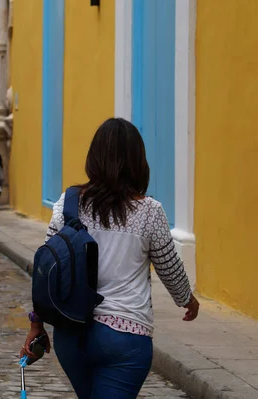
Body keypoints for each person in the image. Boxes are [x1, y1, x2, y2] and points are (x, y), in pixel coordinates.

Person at [20, 118, 200, 399]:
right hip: (124, 339)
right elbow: (169, 267)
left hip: (72, 335)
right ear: (138, 161)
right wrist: (187, 300)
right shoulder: (149, 211)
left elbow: (46, 270)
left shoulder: (68, 203)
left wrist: (36, 324)